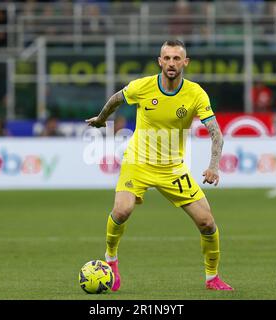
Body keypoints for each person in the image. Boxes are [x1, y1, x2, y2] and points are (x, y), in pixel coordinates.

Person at [85, 40, 233, 291]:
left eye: (177, 58)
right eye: (167, 58)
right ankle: (111, 259)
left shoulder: (195, 93)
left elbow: (216, 133)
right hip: (138, 162)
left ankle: (212, 278)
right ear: (160, 61)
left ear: (185, 62)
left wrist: (214, 166)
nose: (172, 63)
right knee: (122, 211)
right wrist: (101, 119)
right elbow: (116, 99)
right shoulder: (143, 86)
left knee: (207, 223)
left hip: (172, 168)